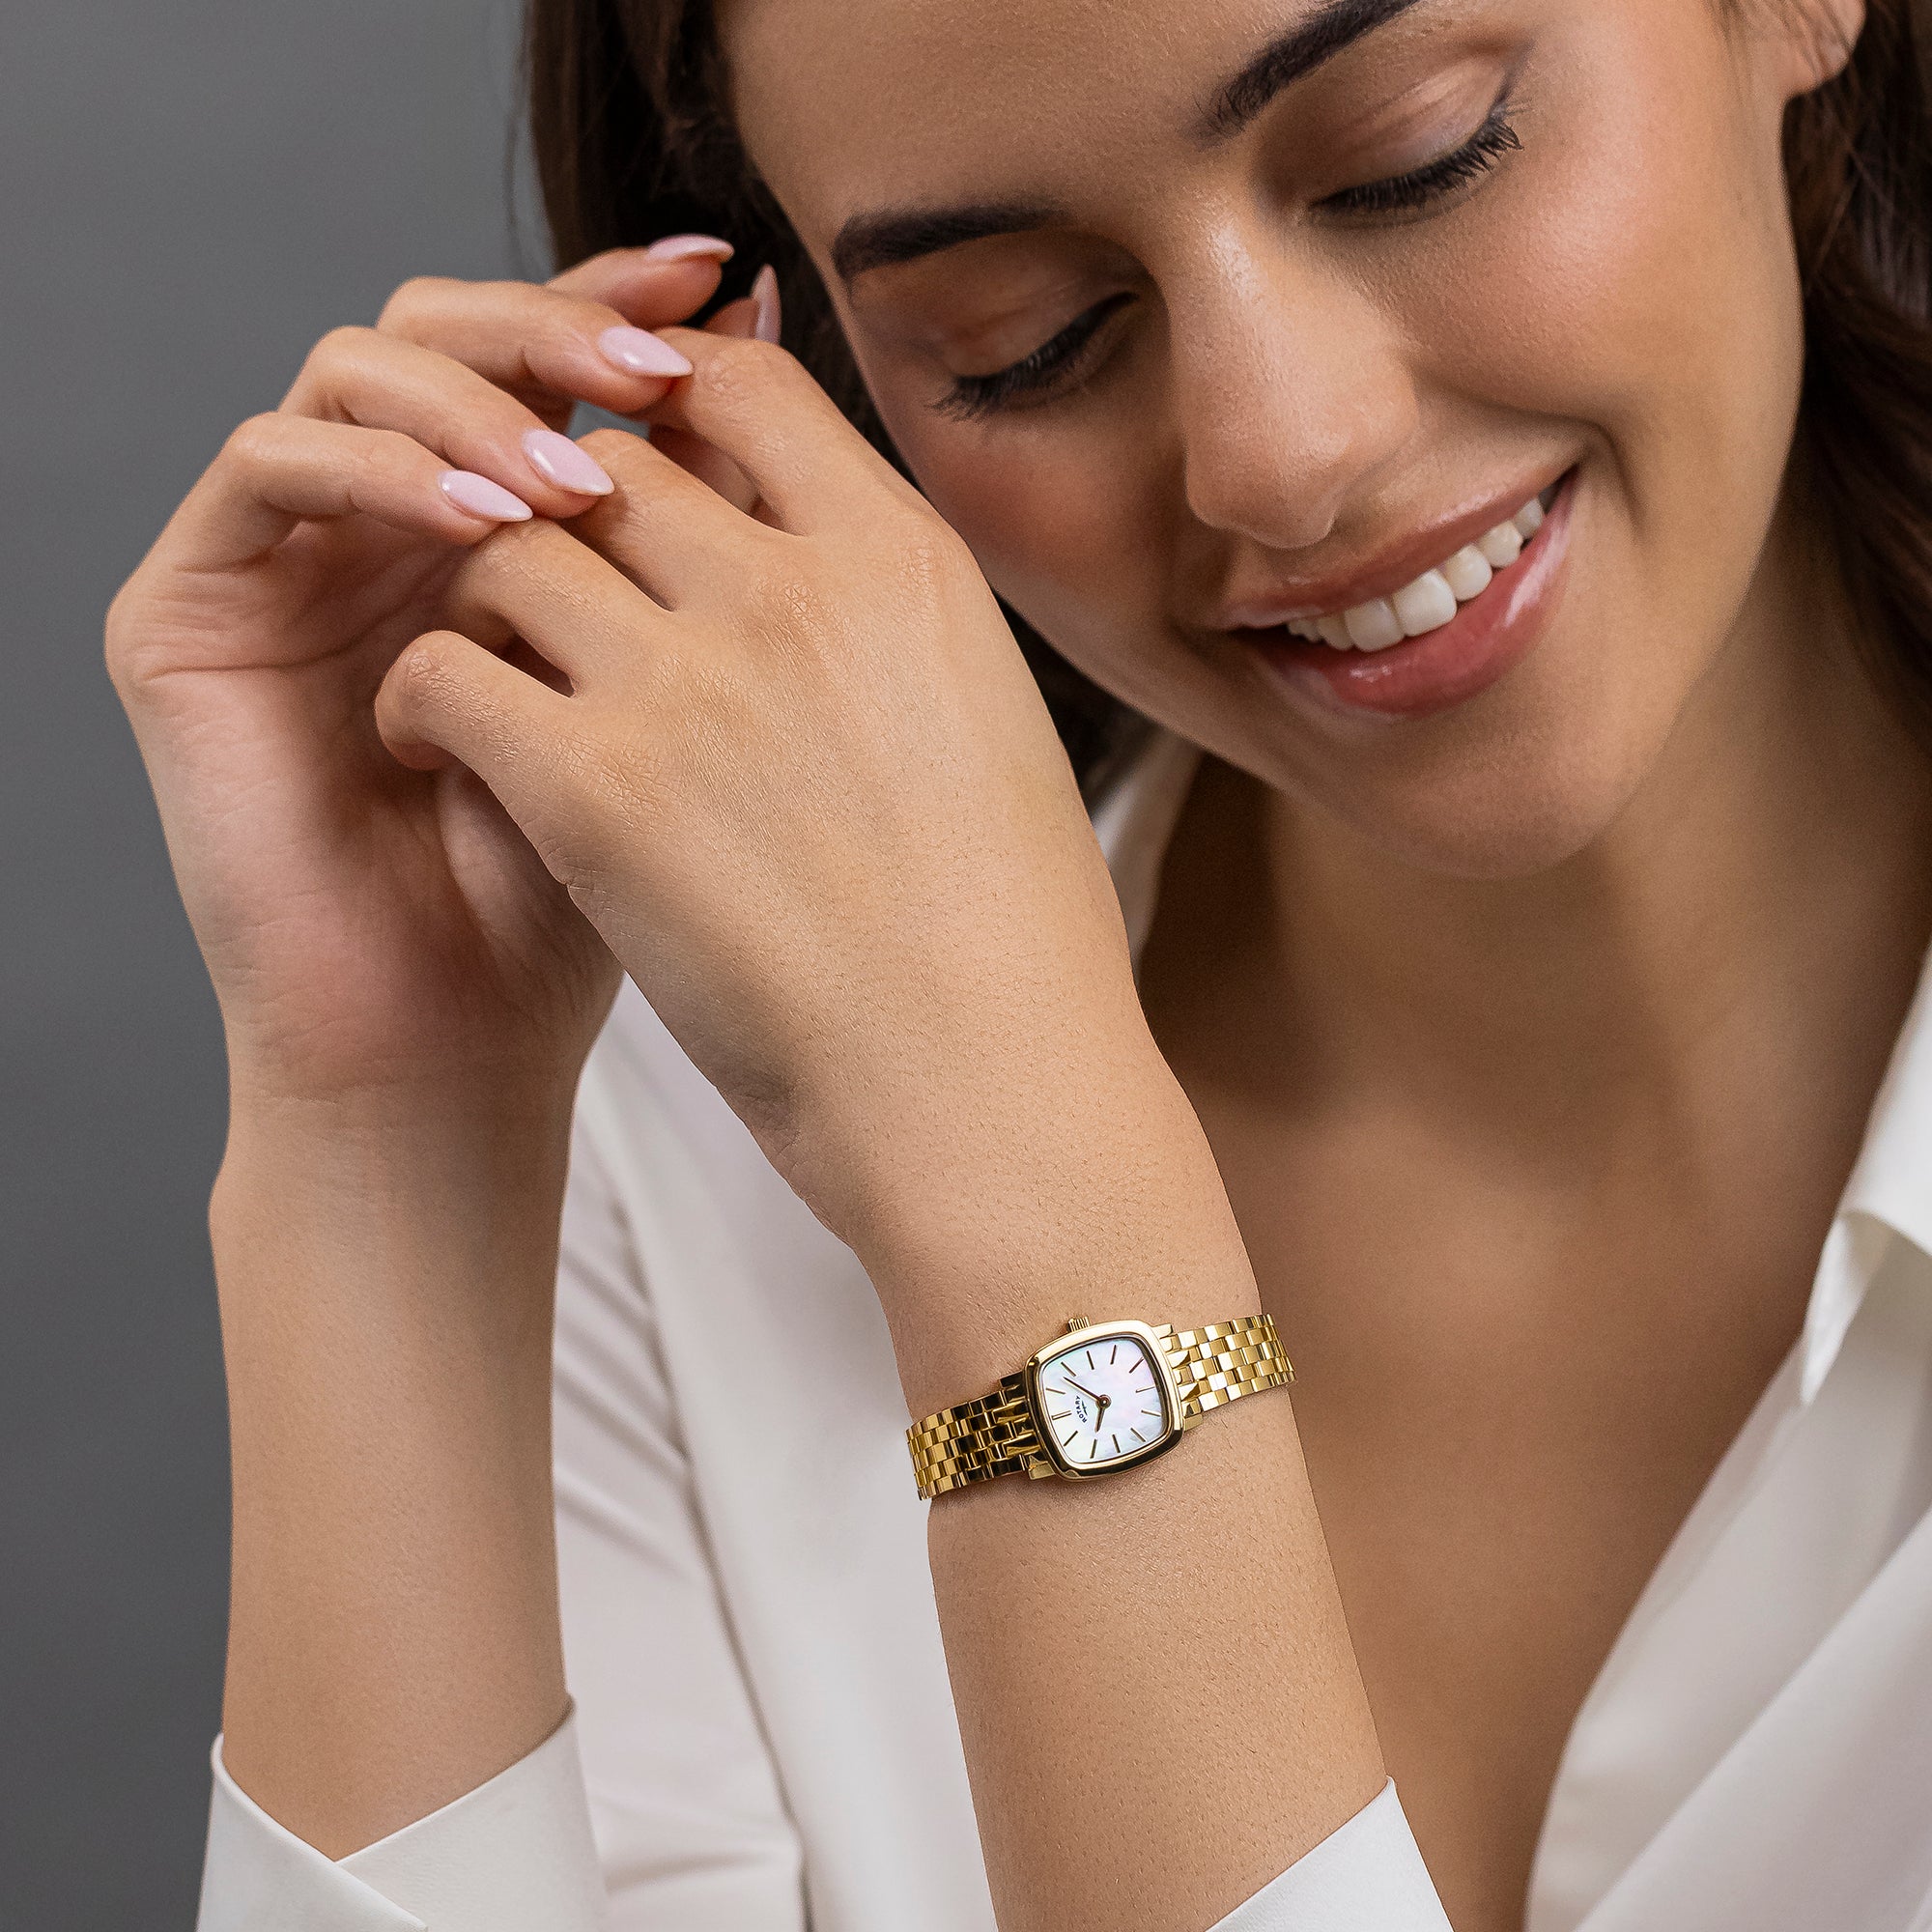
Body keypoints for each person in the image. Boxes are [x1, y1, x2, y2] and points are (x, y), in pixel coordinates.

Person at [108, 0, 1932, 1925]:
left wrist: (1061, 1269)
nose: (1282, 450)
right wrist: (389, 1143)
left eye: (1421, 152)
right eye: (1023, 342)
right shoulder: (668, 1165)